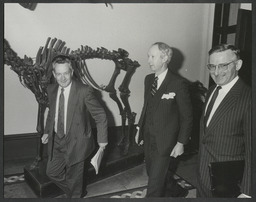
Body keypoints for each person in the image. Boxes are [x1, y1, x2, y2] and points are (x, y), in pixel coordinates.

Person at [41, 55, 108, 198]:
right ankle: (76, 191)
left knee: (74, 180)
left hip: (77, 143)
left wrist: (102, 141)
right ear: (54, 74)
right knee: (52, 173)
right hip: (57, 141)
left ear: (72, 72)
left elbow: (100, 115)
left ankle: (75, 193)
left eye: (66, 73)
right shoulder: (51, 89)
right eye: (58, 74)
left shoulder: (84, 91)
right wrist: (47, 132)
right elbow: (52, 113)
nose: (62, 78)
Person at [135, 42, 193, 197]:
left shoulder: (178, 83)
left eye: (153, 56)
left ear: (165, 58)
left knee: (153, 184)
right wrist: (139, 129)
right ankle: (176, 191)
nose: (149, 60)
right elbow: (146, 107)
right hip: (148, 136)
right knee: (153, 172)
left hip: (166, 141)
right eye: (148, 56)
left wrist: (181, 143)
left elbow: (187, 116)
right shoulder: (148, 79)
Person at [197, 44, 251, 198]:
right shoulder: (211, 91)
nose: (216, 72)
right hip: (202, 173)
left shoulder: (248, 98)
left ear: (238, 64)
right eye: (212, 66)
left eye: (223, 66)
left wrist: (247, 190)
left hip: (228, 179)